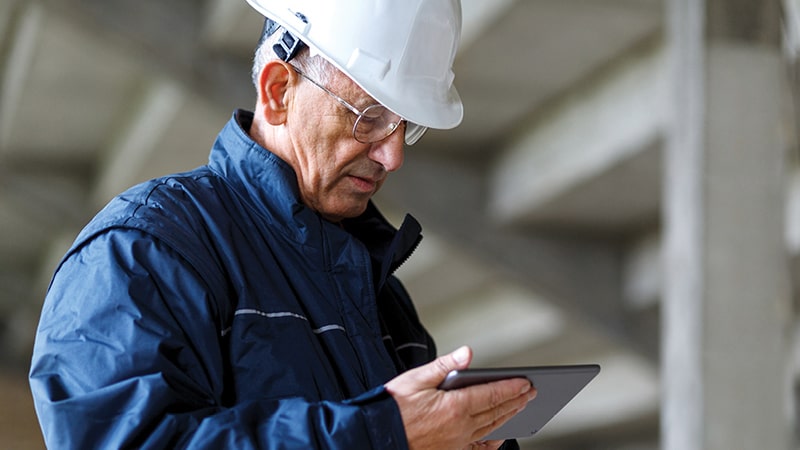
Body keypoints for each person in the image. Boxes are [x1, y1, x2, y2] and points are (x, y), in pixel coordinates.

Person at [29, 0, 536, 448]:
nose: (393, 155)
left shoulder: (378, 294)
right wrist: (381, 434)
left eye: (407, 125)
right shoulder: (144, 251)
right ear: (278, 90)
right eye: (370, 117)